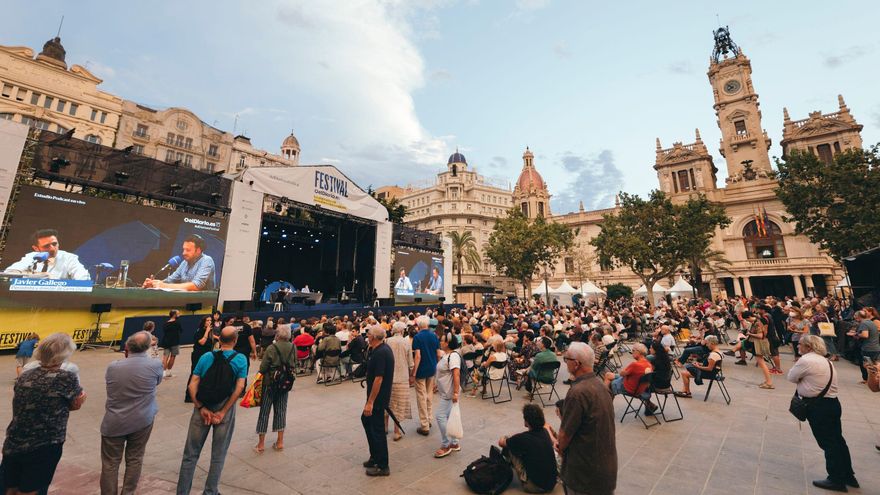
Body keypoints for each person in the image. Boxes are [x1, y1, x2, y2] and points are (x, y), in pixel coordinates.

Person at [1, 333, 86, 495]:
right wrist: (82, 397)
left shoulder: (25, 375)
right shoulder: (66, 377)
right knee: (30, 489)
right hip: (45, 443)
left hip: (15, 439)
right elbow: (75, 404)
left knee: (9, 486)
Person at [177, 326, 247, 495]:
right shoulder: (241, 359)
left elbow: (192, 384)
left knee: (190, 455)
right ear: (235, 340)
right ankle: (210, 491)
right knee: (218, 454)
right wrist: (223, 411)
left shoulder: (206, 356)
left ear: (219, 339)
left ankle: (182, 492)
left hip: (202, 407)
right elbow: (239, 388)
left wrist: (200, 407)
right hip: (224, 408)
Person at [787, 335, 857, 492]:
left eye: (800, 345)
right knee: (838, 440)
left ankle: (836, 479)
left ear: (809, 347)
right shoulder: (826, 360)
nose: (797, 347)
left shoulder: (807, 360)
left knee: (828, 443)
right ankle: (848, 475)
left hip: (819, 407)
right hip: (832, 403)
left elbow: (791, 377)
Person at [100, 331, 164, 495]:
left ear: (127, 347)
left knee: (110, 463)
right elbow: (157, 381)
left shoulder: (113, 367)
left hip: (115, 420)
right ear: (149, 346)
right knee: (135, 459)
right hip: (142, 419)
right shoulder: (155, 365)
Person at [557, 342, 616, 495]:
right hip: (605, 465)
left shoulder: (578, 392)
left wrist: (560, 447)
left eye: (567, 359)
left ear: (576, 364)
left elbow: (565, 435)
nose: (565, 362)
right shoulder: (600, 385)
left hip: (585, 471)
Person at [255, 325, 297, 454]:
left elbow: (262, 368)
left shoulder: (271, 348)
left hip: (270, 384)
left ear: (277, 335)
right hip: (285, 384)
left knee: (264, 412)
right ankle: (280, 442)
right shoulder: (293, 347)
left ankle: (261, 444)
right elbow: (294, 364)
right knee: (281, 411)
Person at [498, 404, 557, 493]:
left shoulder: (523, 438)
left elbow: (501, 443)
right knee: (517, 444)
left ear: (526, 421)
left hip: (534, 486)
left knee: (509, 445)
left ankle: (502, 472)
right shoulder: (544, 432)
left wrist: (505, 437)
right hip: (551, 483)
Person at [362, 326, 394, 477]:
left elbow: (379, 378)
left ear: (373, 337)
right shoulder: (380, 349)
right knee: (367, 421)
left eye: (368, 334)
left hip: (378, 398)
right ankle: (375, 456)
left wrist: (370, 402)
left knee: (377, 429)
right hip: (376, 397)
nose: (367, 336)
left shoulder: (381, 352)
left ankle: (382, 465)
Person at [3, 228, 90, 280]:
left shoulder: (69, 258)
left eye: (54, 244)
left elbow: (83, 278)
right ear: (36, 248)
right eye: (46, 246)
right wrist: (42, 275)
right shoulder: (31, 257)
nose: (52, 248)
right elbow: (9, 272)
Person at [142, 234, 215, 291]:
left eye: (188, 250)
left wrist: (162, 285)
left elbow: (196, 286)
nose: (183, 253)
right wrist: (154, 283)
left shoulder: (207, 260)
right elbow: (170, 280)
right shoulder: (184, 262)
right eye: (183, 249)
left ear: (198, 250)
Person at [433, 331, 462, 458]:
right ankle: (454, 443)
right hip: (446, 391)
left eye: (443, 340)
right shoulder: (447, 355)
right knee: (450, 416)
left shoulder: (453, 356)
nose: (441, 342)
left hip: (449, 393)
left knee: (440, 416)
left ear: (448, 343)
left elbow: (456, 374)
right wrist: (437, 385)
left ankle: (446, 444)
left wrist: (455, 392)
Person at [411, 315, 439, 435]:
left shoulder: (417, 337)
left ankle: (424, 425)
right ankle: (429, 419)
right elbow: (438, 354)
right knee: (429, 395)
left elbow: (417, 356)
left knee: (421, 397)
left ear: (418, 325)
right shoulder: (434, 336)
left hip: (421, 370)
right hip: (432, 368)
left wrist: (414, 373)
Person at [385, 321, 413, 441]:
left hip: (388, 377)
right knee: (399, 404)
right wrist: (412, 375)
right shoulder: (406, 342)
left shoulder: (387, 341)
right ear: (402, 331)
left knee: (386, 402)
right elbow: (410, 363)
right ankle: (396, 431)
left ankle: (385, 427)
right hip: (402, 377)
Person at [743, 310, 774, 389]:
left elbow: (760, 335)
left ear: (749, 317)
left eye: (747, 319)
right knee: (762, 364)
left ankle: (769, 382)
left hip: (758, 344)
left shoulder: (757, 323)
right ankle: (768, 381)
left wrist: (749, 334)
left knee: (762, 364)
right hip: (757, 344)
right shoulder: (757, 321)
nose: (747, 321)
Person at [850, 310, 880, 383]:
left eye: (856, 317)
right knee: (874, 364)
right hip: (875, 347)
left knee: (867, 365)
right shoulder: (871, 323)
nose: (855, 318)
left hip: (868, 348)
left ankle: (869, 381)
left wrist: (855, 335)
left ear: (859, 317)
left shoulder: (864, 323)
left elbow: (865, 335)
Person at [161, 309, 183, 378]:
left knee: (165, 357)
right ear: (174, 315)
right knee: (173, 357)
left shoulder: (165, 323)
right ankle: (169, 372)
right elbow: (181, 330)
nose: (179, 315)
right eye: (178, 314)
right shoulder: (177, 323)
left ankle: (163, 373)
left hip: (166, 342)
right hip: (175, 342)